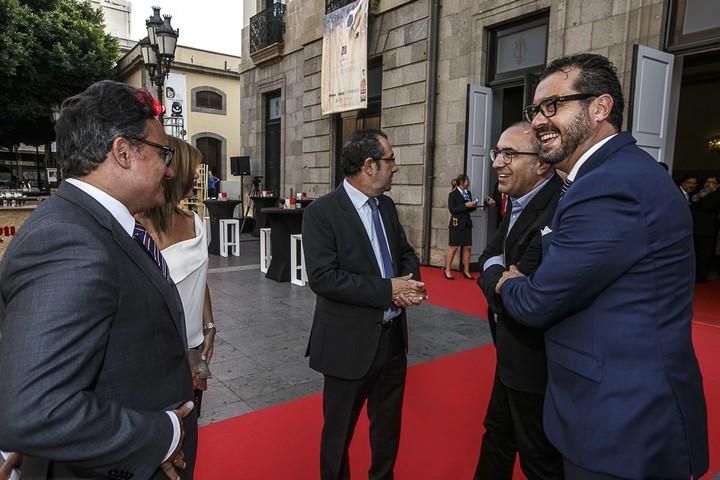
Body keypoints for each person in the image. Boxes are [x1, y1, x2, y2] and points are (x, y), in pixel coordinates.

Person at [496, 53, 708, 479]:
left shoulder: (610, 185)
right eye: (535, 109)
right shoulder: (609, 176)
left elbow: (539, 302)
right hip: (611, 415)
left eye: (553, 105)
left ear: (600, 107)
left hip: (622, 426)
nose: (539, 120)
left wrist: (506, 281)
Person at [0, 80, 197, 479]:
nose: (171, 169)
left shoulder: (98, 225)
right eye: (164, 154)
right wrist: (160, 434)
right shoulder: (70, 240)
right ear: (123, 153)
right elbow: (38, 411)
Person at [302, 129, 425, 480]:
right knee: (338, 436)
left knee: (387, 433)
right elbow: (324, 278)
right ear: (369, 165)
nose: (396, 167)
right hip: (347, 345)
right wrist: (388, 289)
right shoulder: (322, 213)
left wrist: (409, 283)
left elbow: (405, 253)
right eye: (390, 159)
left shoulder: (386, 205)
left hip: (392, 342)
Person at [474, 122, 563, 480]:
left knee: (537, 456)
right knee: (497, 435)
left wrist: (499, 278)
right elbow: (488, 257)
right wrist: (500, 278)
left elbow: (528, 283)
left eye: (509, 154)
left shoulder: (559, 205)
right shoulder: (517, 201)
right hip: (511, 350)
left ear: (542, 164)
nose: (497, 162)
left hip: (536, 358)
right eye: (497, 152)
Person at [137, 136, 217, 415]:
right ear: (173, 173)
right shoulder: (137, 228)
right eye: (193, 169)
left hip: (195, 347)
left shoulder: (195, 221)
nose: (198, 176)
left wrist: (209, 325)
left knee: (191, 419)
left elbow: (200, 277)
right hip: (157, 356)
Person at [443, 173, 476, 280]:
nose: (469, 183)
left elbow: (470, 209)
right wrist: (465, 205)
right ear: (461, 182)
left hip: (467, 223)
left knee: (468, 247)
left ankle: (466, 271)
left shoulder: (468, 193)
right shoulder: (452, 194)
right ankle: (447, 270)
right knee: (454, 247)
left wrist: (473, 206)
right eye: (467, 181)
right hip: (456, 223)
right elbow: (452, 210)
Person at [691, 175, 720, 282]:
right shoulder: (699, 193)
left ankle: (701, 278)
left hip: (707, 231)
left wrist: (709, 194)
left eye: (712, 182)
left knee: (704, 255)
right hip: (694, 229)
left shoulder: (716, 195)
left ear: (717, 185)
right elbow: (692, 203)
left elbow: (707, 207)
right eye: (707, 181)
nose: (708, 184)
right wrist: (699, 196)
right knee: (694, 255)